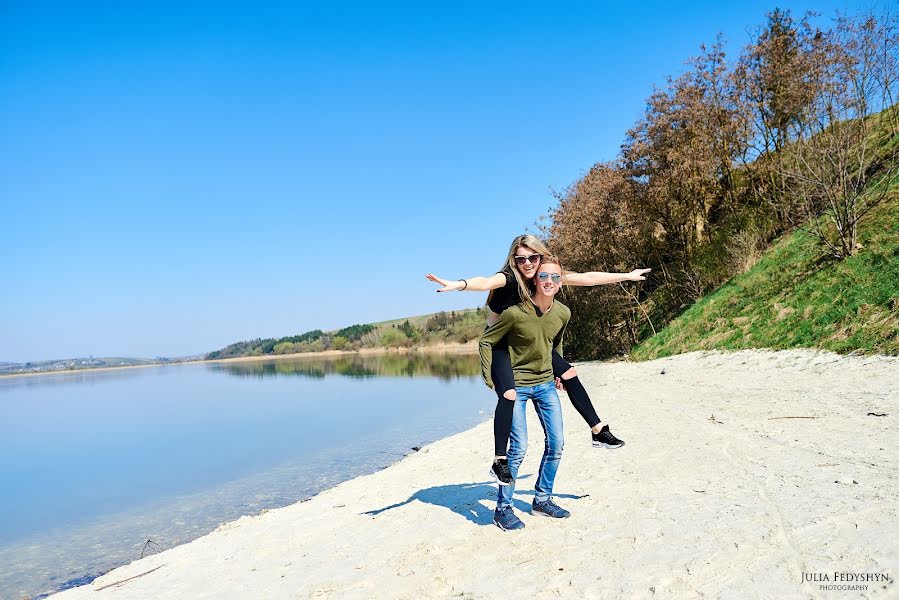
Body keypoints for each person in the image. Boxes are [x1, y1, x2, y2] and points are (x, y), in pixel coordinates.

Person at [426, 234, 649, 485]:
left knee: (570, 373)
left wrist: (627, 276)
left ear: (540, 256)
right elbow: (486, 282)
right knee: (508, 395)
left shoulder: (545, 276)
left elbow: (585, 278)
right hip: (503, 344)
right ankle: (499, 461)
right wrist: (459, 285)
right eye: (522, 259)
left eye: (533, 257)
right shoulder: (509, 278)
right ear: (514, 260)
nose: (528, 263)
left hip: (531, 342)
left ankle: (598, 431)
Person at [479, 255, 571, 530]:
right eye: (544, 276)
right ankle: (502, 509)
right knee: (517, 448)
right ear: (534, 281)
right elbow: (487, 341)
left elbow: (555, 342)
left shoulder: (562, 312)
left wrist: (559, 371)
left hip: (544, 384)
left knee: (557, 444)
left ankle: (542, 500)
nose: (549, 281)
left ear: (560, 282)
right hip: (516, 385)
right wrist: (492, 381)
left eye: (555, 277)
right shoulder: (515, 312)